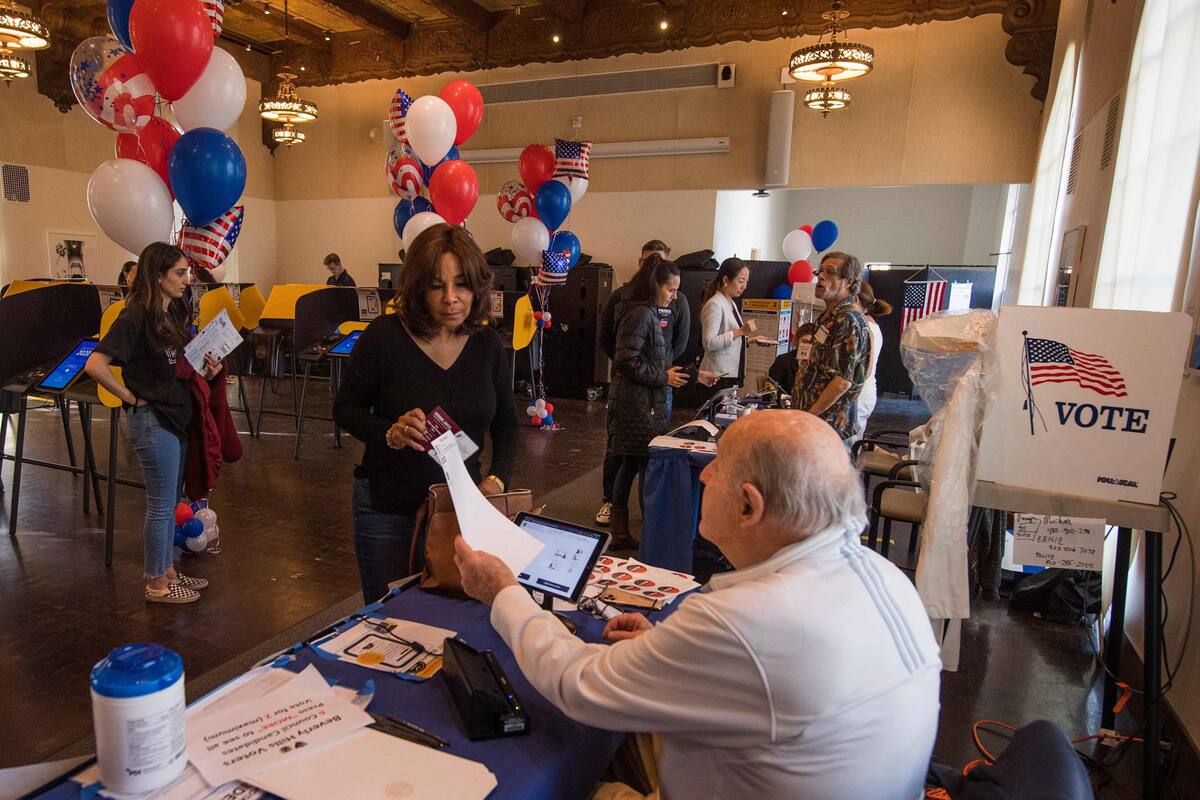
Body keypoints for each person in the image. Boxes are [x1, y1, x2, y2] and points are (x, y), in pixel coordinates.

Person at [453, 410, 941, 800]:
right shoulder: (886, 577)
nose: (704, 472)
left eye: (718, 461)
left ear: (749, 506)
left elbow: (576, 683)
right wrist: (671, 651)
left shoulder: (747, 621)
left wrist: (502, 591)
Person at [333, 224, 517, 602]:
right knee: (388, 624)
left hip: (460, 512)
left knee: (454, 620)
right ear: (418, 287)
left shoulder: (487, 345)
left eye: (462, 284)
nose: (451, 298)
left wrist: (496, 482)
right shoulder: (385, 336)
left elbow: (507, 424)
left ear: (477, 286)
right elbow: (345, 409)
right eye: (437, 285)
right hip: (386, 509)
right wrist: (390, 433)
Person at [85, 242, 223, 604]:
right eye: (179, 273)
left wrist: (207, 371)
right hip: (152, 421)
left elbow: (177, 369)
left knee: (167, 501)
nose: (186, 279)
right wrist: (131, 398)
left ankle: (168, 571)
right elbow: (95, 365)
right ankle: (156, 583)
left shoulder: (171, 315)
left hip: (173, 418)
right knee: (161, 506)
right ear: (158, 276)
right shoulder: (134, 317)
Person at [596, 240, 689, 527]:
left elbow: (657, 354)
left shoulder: (643, 308)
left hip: (644, 398)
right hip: (637, 402)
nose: (673, 297)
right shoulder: (640, 312)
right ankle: (643, 526)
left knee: (630, 462)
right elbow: (625, 359)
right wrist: (663, 376)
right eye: (670, 290)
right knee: (635, 462)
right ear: (654, 283)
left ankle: (624, 528)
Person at [792, 252, 870, 441]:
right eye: (820, 271)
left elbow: (842, 381)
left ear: (848, 282)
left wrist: (810, 416)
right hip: (813, 422)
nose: (821, 276)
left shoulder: (848, 320)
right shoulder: (829, 317)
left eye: (830, 272)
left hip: (826, 426)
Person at [698, 257, 756, 393]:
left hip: (731, 373)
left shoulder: (730, 302)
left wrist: (750, 340)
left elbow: (729, 337)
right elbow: (709, 343)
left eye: (746, 281)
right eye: (741, 281)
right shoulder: (714, 304)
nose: (744, 286)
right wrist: (741, 331)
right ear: (725, 280)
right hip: (716, 376)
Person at [848, 281, 892, 444]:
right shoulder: (867, 324)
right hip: (860, 392)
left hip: (859, 394)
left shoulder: (866, 328)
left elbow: (865, 370)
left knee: (849, 445)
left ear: (856, 300)